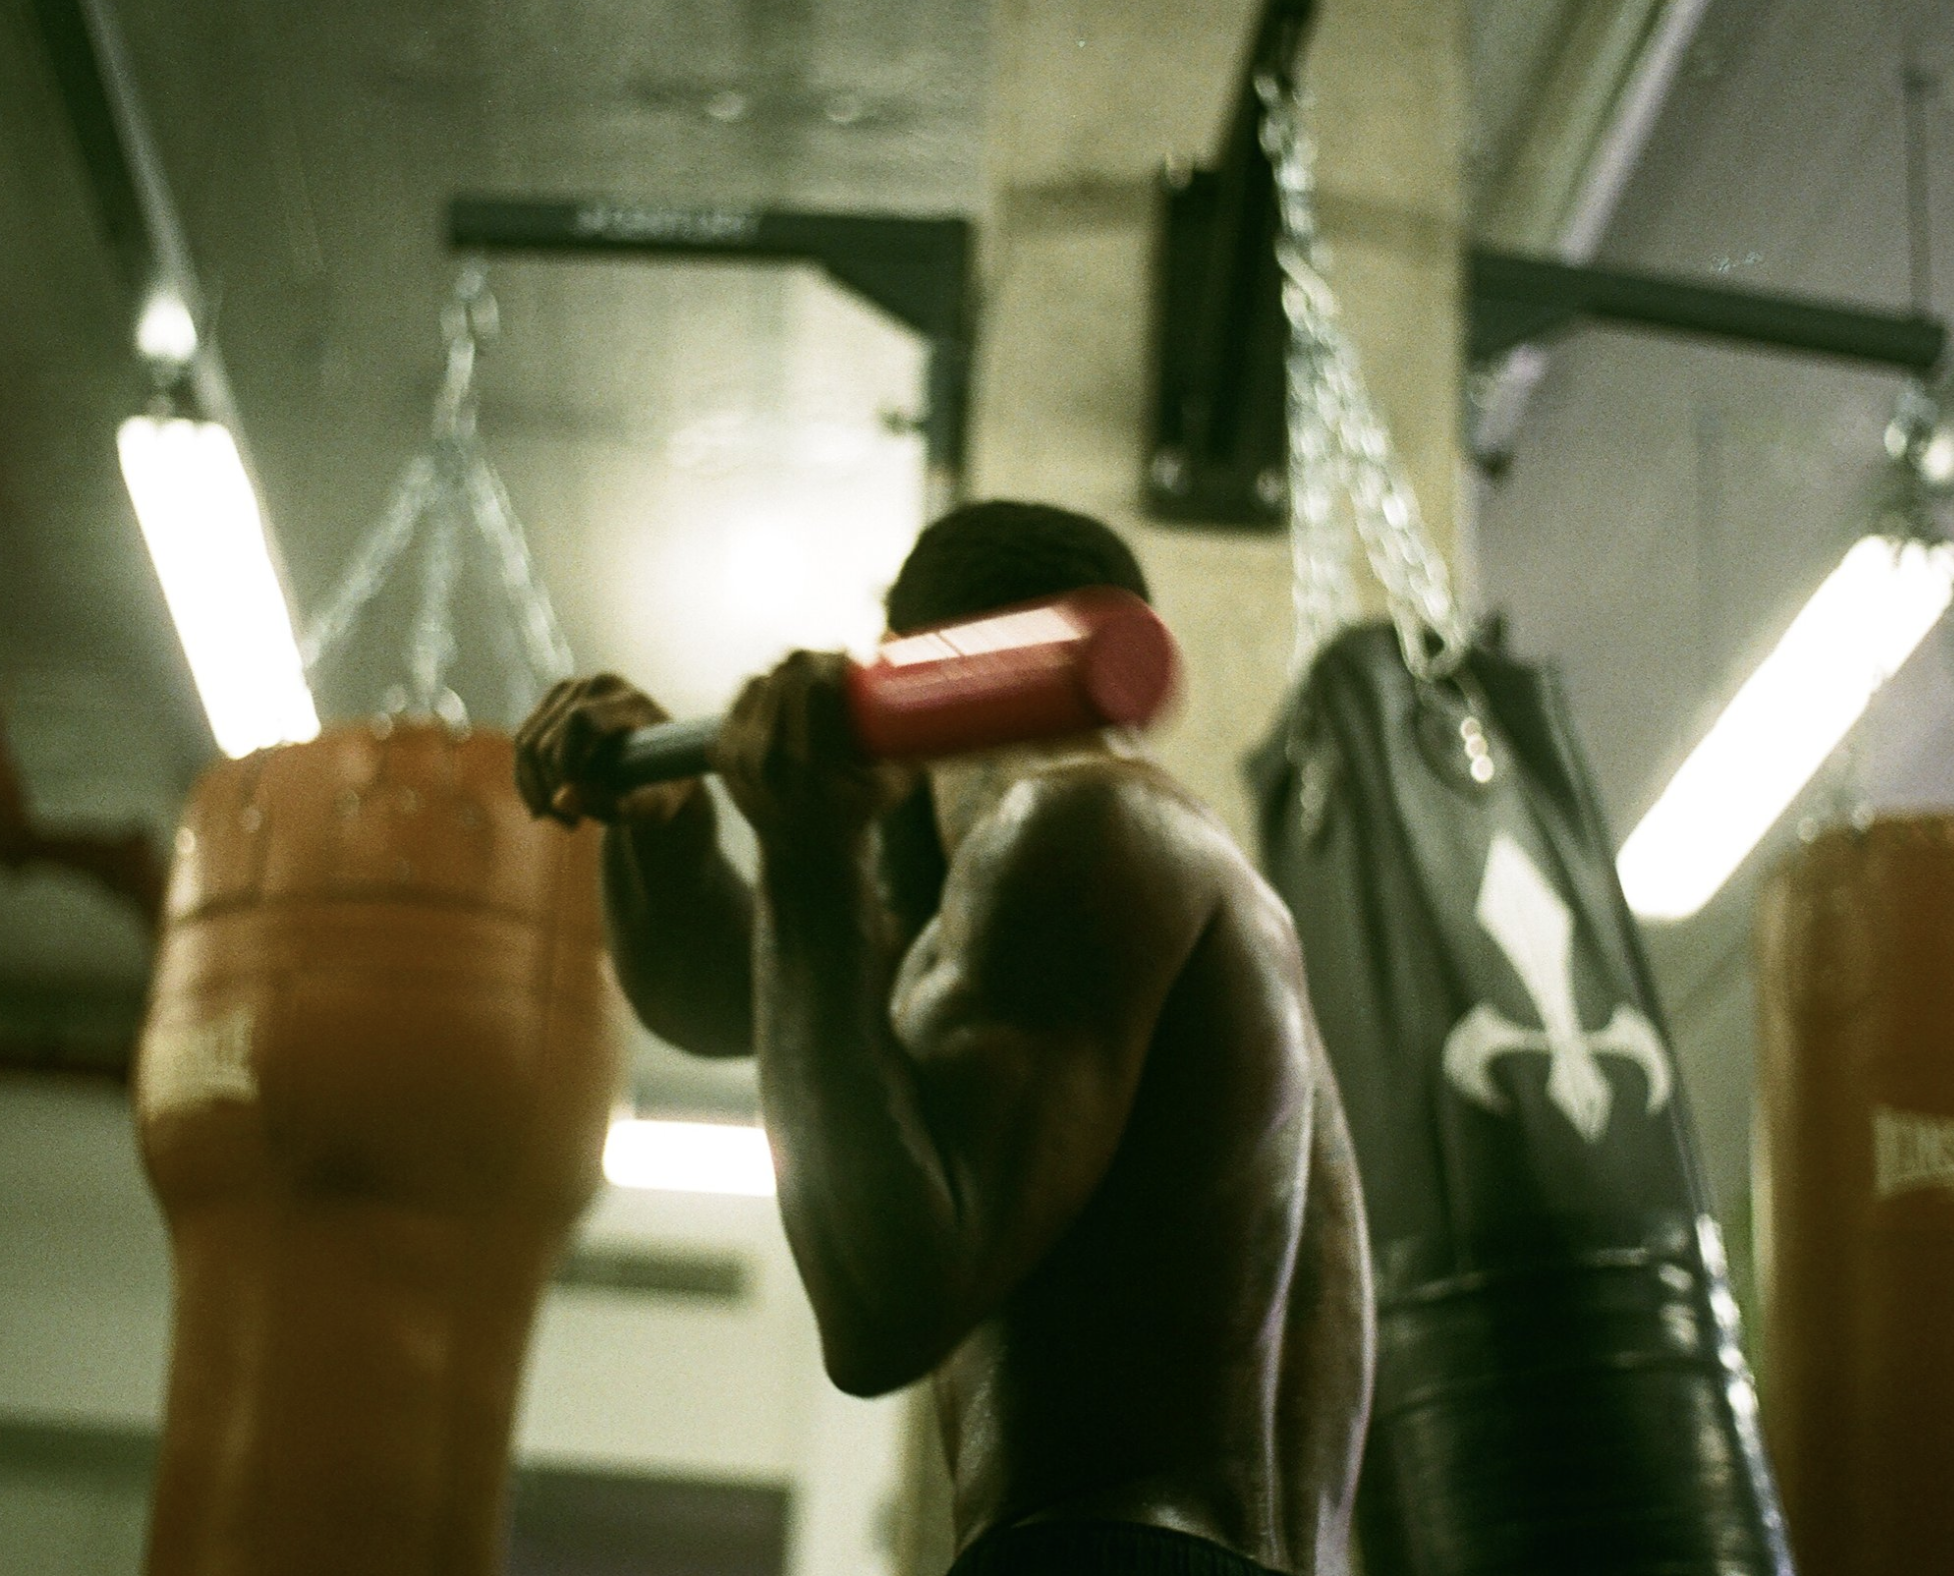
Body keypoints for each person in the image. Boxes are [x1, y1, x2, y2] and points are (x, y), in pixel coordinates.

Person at [516, 500, 1371, 1576]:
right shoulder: (1156, 874)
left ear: (911, 670)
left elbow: (884, 1306)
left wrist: (813, 854)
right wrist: (668, 821)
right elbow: (735, 996)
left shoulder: (1069, 833)